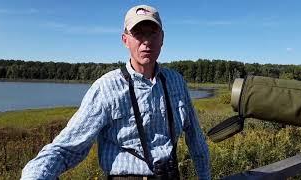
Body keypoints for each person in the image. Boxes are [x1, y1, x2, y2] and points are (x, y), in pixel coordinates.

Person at [21, 4, 211, 180]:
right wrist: (35, 174)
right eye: (138, 33)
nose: (146, 41)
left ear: (162, 38)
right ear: (125, 40)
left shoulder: (175, 82)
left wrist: (205, 176)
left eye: (153, 33)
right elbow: (66, 148)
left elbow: (196, 139)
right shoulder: (106, 88)